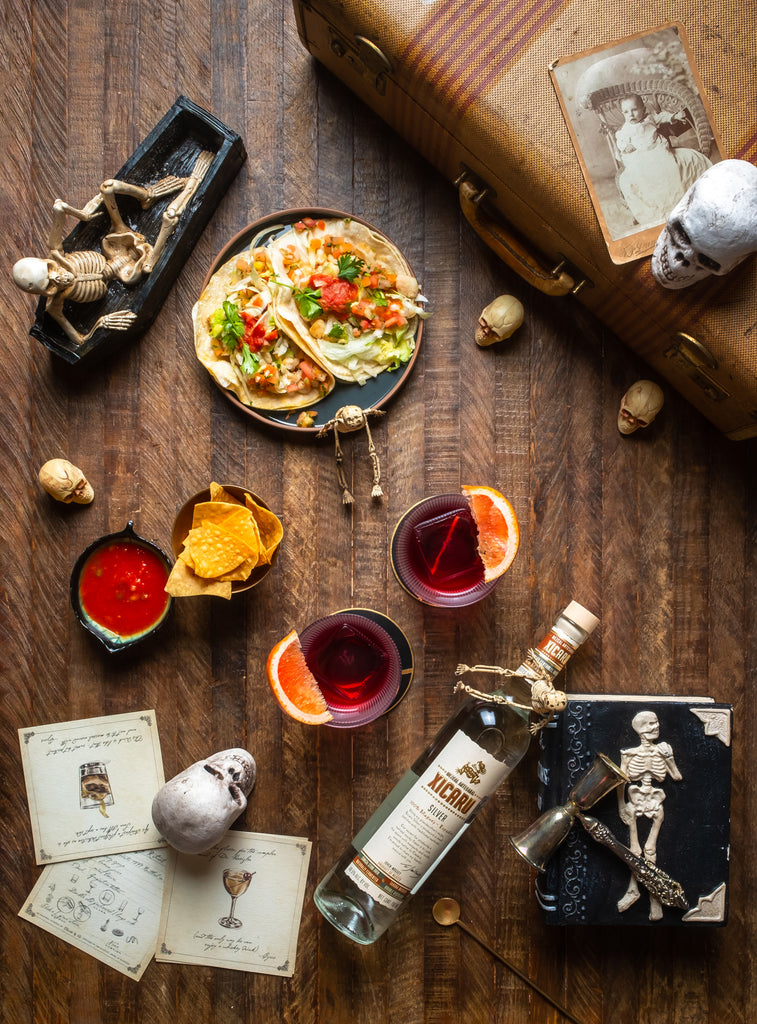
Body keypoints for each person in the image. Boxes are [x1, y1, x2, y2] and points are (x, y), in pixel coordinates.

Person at [616, 709, 682, 920]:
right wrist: (621, 806)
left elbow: (676, 777)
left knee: (650, 849)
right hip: (634, 801)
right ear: (640, 729)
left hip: (656, 800)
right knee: (635, 849)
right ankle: (637, 892)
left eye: (657, 723)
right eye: (651, 724)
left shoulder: (664, 750)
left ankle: (652, 897)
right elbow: (620, 781)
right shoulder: (629, 754)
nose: (656, 727)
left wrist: (669, 758)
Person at [614, 94, 711, 228]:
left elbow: (663, 117)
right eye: (626, 111)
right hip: (639, 155)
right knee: (640, 174)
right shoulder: (625, 129)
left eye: (634, 109)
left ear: (643, 109)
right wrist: (626, 147)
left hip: (656, 149)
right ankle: (656, 212)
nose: (630, 114)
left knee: (667, 167)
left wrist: (675, 116)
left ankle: (676, 204)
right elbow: (620, 142)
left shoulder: (650, 118)